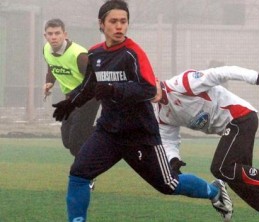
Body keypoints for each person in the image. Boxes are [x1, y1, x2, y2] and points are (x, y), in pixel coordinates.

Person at [51, 1, 233, 221]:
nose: (119, 26)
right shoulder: (95, 54)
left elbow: (148, 89)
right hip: (108, 132)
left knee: (169, 184)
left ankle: (215, 191)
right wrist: (71, 103)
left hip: (139, 134)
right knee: (79, 174)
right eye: (113, 21)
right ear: (102, 24)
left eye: (123, 21)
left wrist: (112, 89)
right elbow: (90, 86)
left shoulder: (133, 53)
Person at [153, 66, 259, 222]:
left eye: (148, 86)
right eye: (142, 91)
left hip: (241, 117)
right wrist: (173, 160)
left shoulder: (183, 83)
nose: (147, 92)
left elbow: (223, 72)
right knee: (237, 179)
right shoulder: (160, 114)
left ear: (155, 79)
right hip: (233, 126)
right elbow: (169, 140)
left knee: (220, 168)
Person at [43, 18, 100, 156]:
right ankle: (105, 130)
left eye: (57, 33)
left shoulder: (79, 55)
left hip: (88, 99)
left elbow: (94, 80)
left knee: (76, 143)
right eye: (50, 34)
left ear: (65, 34)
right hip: (70, 99)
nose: (54, 37)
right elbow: (52, 65)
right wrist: (49, 82)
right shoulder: (46, 49)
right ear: (45, 36)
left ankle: (85, 174)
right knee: (67, 141)